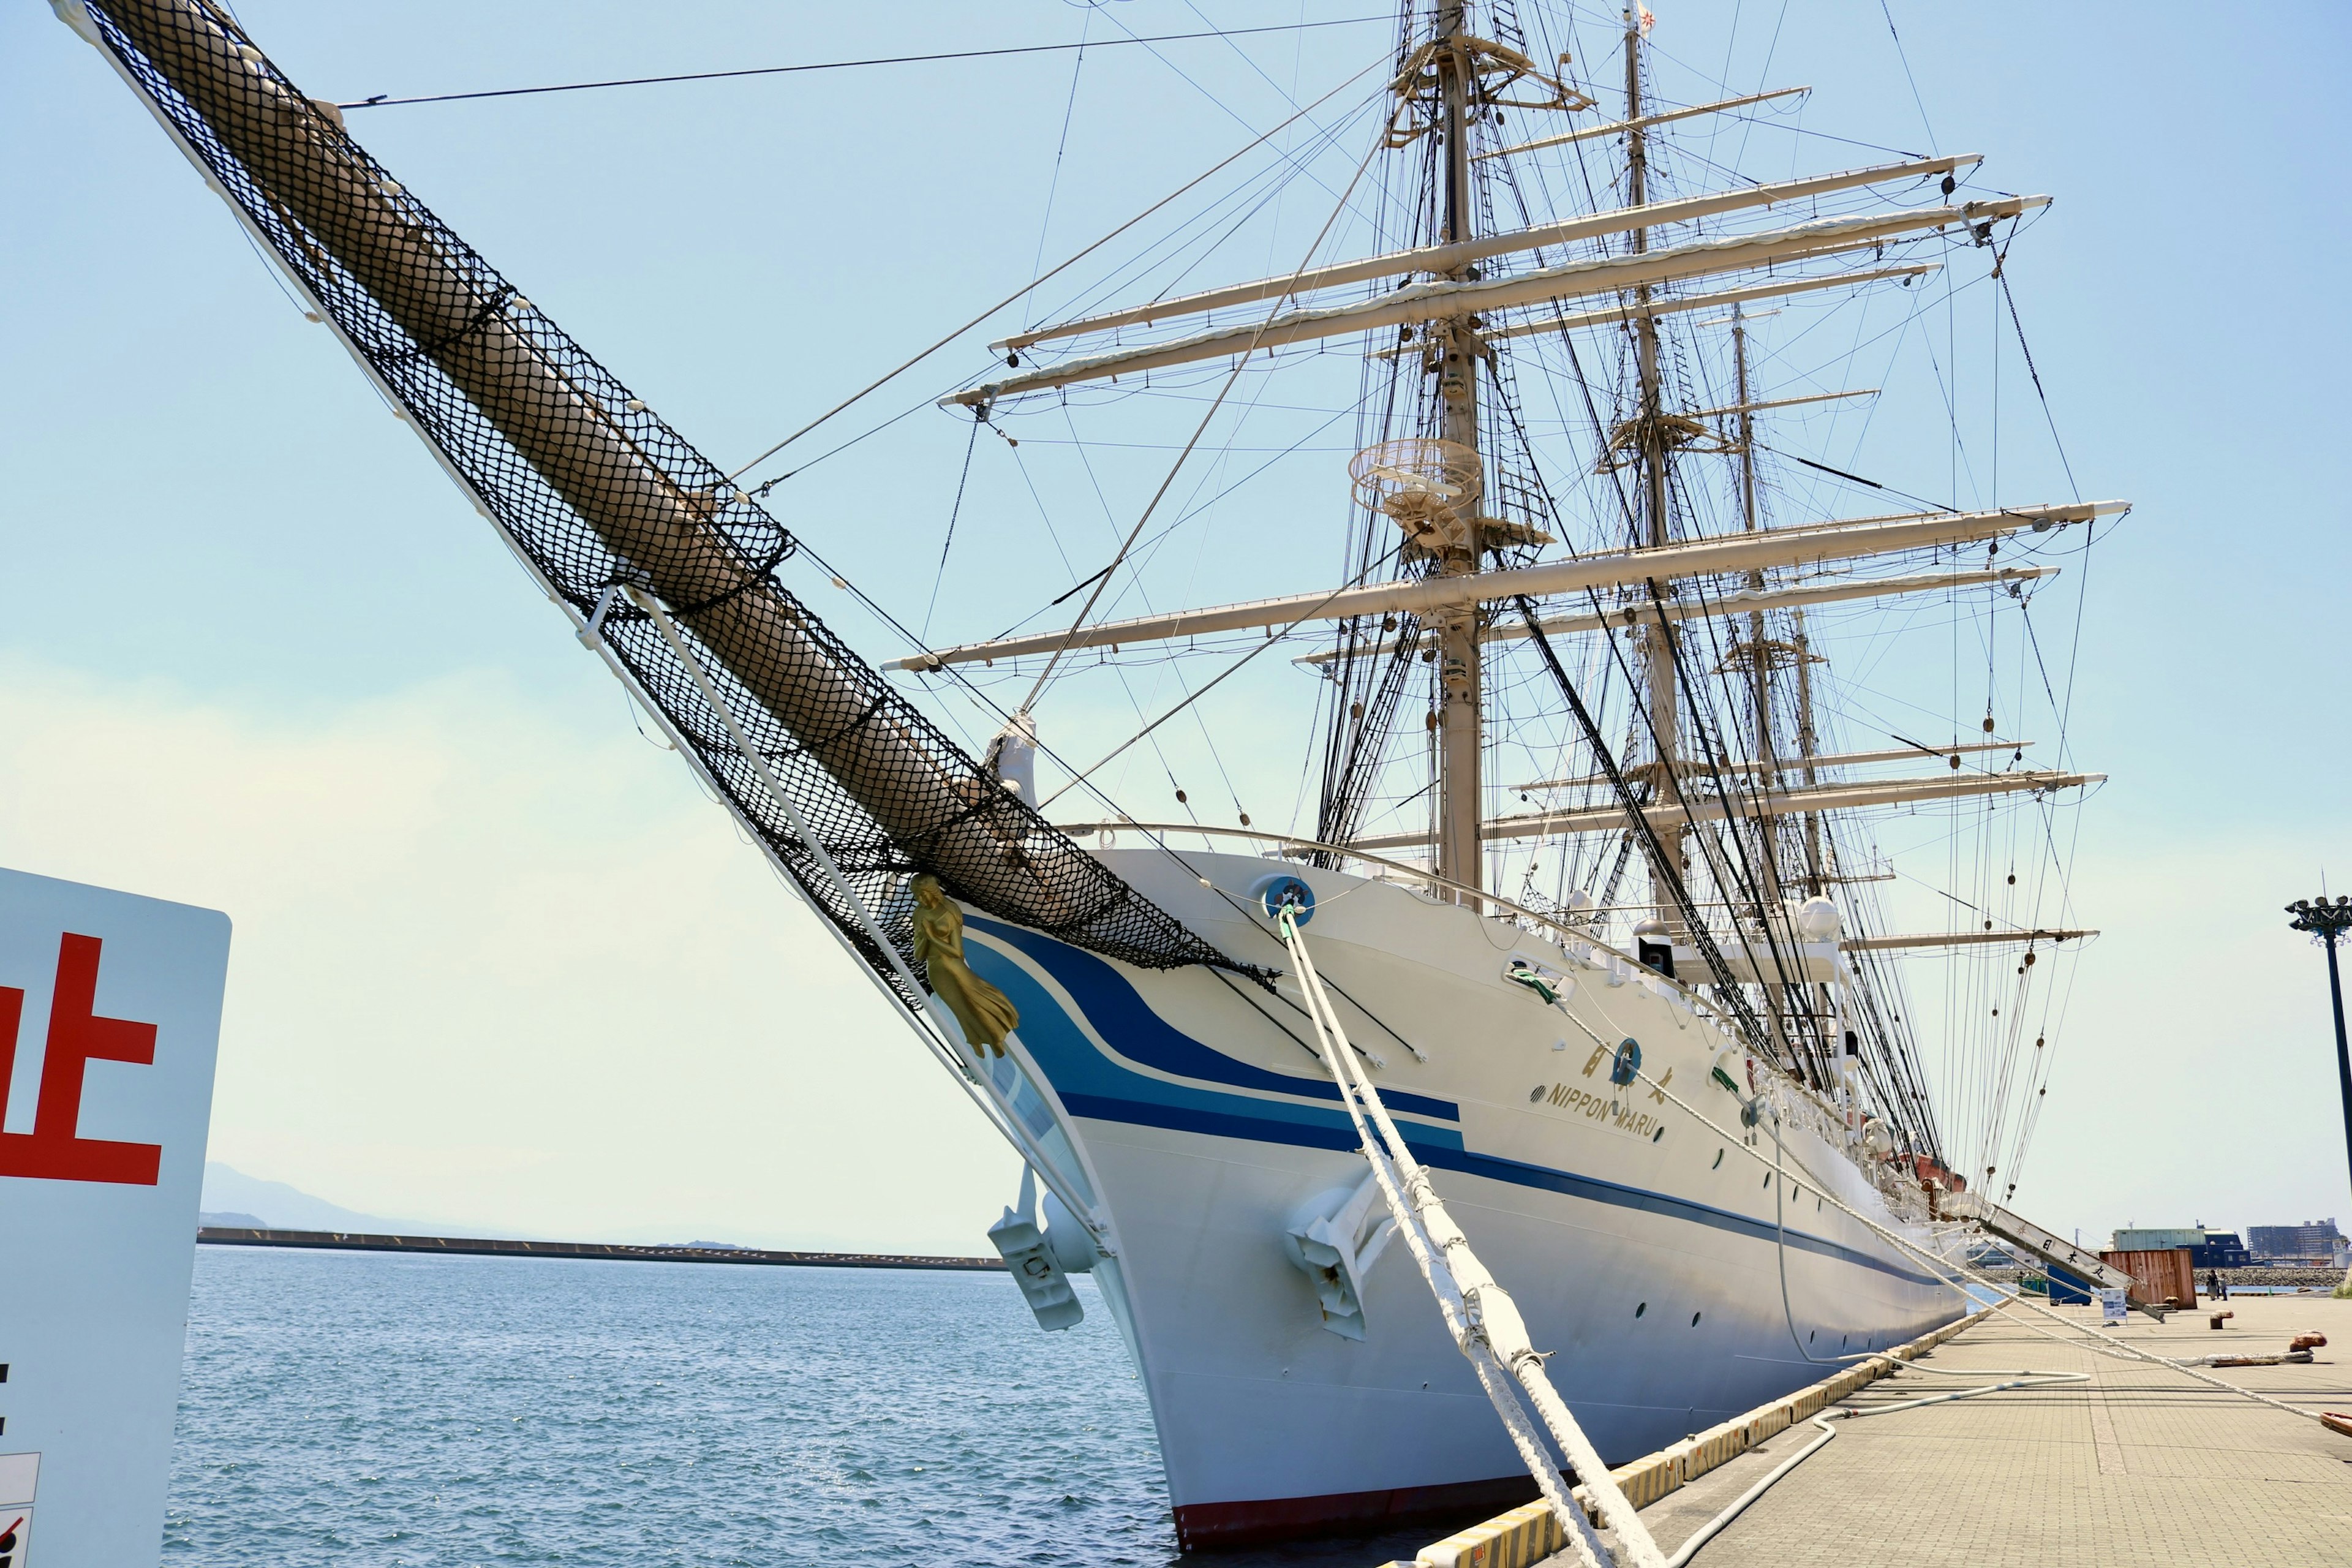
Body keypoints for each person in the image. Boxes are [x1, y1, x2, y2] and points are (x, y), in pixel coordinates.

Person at [909, 873, 1019, 1057]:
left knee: (975, 1001)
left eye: (922, 894)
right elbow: (918, 955)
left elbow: (956, 952)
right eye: (916, 895)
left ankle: (995, 1038)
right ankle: (975, 1042)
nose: (920, 899)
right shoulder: (918, 914)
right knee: (958, 1007)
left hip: (954, 967)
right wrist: (926, 938)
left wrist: (932, 937)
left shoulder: (949, 911)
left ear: (932, 892)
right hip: (935, 969)